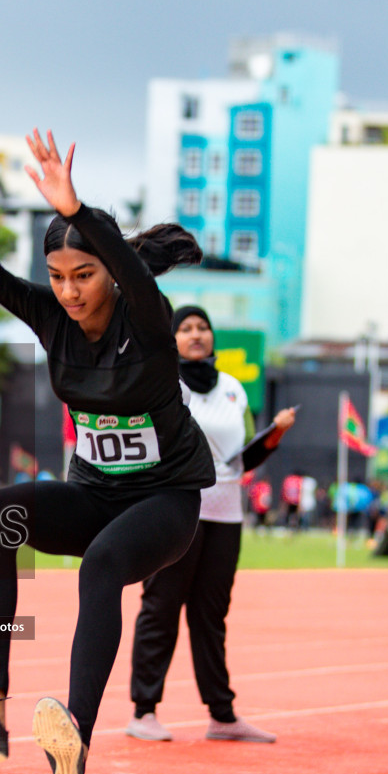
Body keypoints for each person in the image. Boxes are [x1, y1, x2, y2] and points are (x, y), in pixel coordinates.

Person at [0, 130, 213, 774]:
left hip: (165, 502)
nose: (70, 292)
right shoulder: (51, 318)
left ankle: (74, 733)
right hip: (94, 494)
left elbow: (135, 276)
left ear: (110, 273)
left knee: (104, 563)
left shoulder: (144, 318)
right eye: (57, 277)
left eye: (84, 275)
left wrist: (79, 212)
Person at [125, 305, 295, 744]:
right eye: (185, 328)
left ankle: (222, 715)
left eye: (203, 328)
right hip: (176, 509)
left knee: (211, 615)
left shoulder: (235, 389)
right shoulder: (164, 383)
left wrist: (272, 437)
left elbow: (239, 460)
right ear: (172, 338)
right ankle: (144, 710)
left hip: (226, 513)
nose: (196, 334)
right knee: (161, 607)